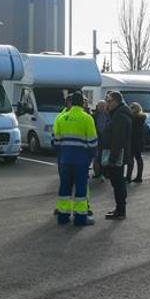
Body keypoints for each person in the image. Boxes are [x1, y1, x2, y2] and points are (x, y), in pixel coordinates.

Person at [53, 92, 98, 226]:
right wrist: (90, 157)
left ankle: (63, 216)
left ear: (71, 103)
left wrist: (63, 154)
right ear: (83, 104)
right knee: (81, 190)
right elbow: (93, 142)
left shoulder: (62, 117)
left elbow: (55, 141)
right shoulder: (87, 118)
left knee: (64, 188)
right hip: (81, 160)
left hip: (65, 160)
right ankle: (80, 218)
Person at [102, 91, 131, 220]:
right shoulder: (118, 114)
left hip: (117, 155)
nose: (107, 104)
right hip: (119, 154)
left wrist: (112, 159)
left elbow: (118, 139)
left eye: (109, 101)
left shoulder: (119, 116)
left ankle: (120, 211)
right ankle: (119, 209)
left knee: (118, 183)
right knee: (118, 183)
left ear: (116, 101)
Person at [126, 102, 146, 183]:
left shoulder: (132, 118)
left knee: (130, 159)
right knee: (138, 158)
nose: (130, 109)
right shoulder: (142, 118)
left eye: (132, 107)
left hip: (132, 140)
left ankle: (128, 177)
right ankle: (139, 176)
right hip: (139, 141)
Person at [91, 100, 111, 180]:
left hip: (106, 140)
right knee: (97, 157)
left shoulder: (109, 116)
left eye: (103, 106)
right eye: (100, 106)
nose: (102, 108)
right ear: (97, 106)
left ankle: (105, 173)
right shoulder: (93, 116)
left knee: (105, 158)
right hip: (97, 139)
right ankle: (97, 173)